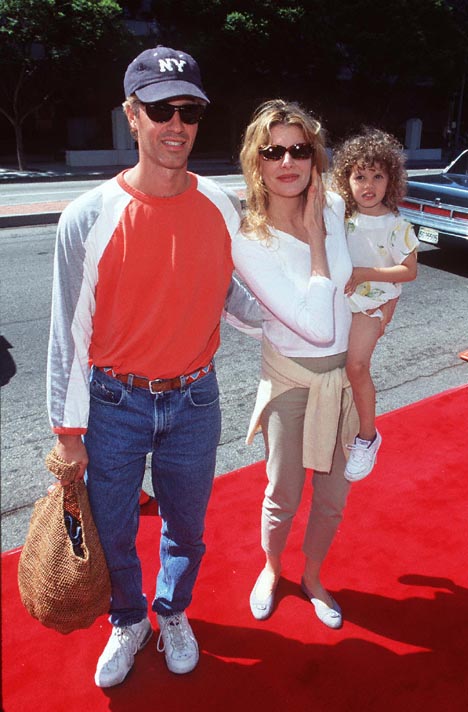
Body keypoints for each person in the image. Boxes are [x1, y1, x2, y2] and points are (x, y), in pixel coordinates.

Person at [47, 45, 260, 688]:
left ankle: (171, 613)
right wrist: (67, 433)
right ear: (131, 115)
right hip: (113, 402)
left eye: (188, 111)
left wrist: (320, 308)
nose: (177, 124)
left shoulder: (222, 206)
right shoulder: (89, 215)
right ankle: (128, 617)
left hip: (195, 400)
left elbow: (243, 301)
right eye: (160, 109)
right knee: (113, 529)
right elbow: (69, 333)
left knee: (187, 530)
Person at [231, 99, 360, 628]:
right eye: (273, 151)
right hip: (289, 377)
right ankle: (270, 567)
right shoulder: (250, 240)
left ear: (314, 154)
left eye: (299, 149)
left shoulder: (332, 204)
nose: (288, 161)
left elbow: (345, 293)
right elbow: (318, 325)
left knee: (332, 496)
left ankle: (312, 576)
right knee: (282, 490)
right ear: (256, 162)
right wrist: (315, 244)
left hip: (343, 379)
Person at [331, 128, 418, 482]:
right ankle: (338, 426)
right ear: (346, 179)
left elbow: (409, 271)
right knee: (332, 369)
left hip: (373, 305)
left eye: (377, 176)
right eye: (360, 176)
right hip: (340, 302)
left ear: (391, 180)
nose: (368, 184)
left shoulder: (396, 224)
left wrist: (366, 273)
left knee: (356, 366)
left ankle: (368, 436)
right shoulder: (341, 217)